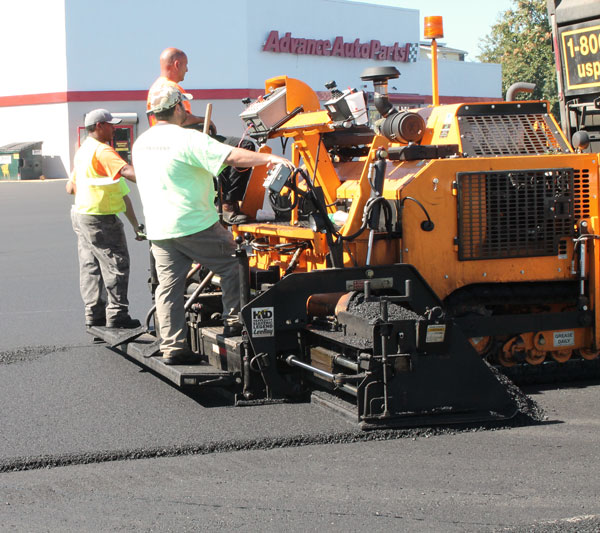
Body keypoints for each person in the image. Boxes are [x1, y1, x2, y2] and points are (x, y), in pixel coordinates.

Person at [133, 86, 294, 365]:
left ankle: (172, 346)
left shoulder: (141, 143)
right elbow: (233, 156)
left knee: (168, 287)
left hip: (159, 228)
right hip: (194, 224)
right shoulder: (186, 139)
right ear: (179, 108)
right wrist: (270, 158)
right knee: (234, 264)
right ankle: (234, 321)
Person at [147, 47, 254, 225]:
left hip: (169, 139)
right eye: (185, 66)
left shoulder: (156, 87)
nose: (187, 70)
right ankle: (227, 205)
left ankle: (218, 199)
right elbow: (183, 120)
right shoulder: (171, 88)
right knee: (244, 146)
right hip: (182, 140)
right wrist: (205, 120)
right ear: (177, 64)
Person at [67, 108, 144, 330]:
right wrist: (158, 180)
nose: (115, 128)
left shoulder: (83, 151)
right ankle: (117, 314)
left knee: (91, 266)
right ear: (99, 126)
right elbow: (128, 173)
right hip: (101, 218)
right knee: (116, 264)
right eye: (111, 124)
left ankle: (94, 312)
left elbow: (70, 186)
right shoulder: (103, 151)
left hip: (82, 214)